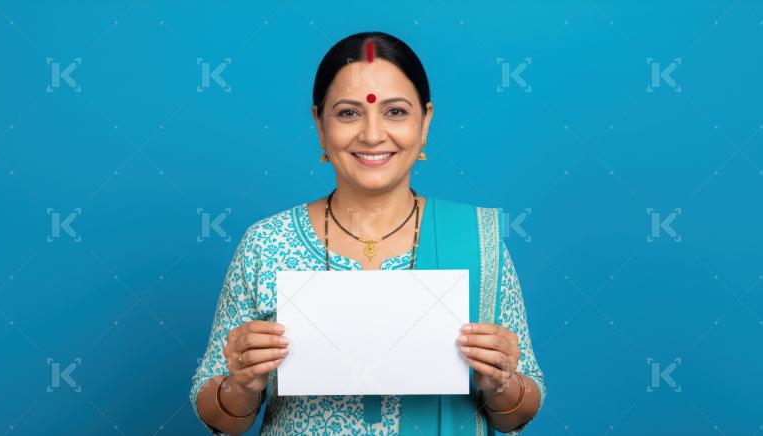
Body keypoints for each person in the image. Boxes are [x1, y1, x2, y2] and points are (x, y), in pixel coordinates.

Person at [189, 31, 546, 435]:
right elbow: (219, 417)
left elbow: (517, 412)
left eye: (395, 112)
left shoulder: (476, 242)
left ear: (425, 121)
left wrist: (501, 383)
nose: (373, 135)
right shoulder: (266, 244)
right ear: (320, 125)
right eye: (348, 113)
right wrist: (241, 385)